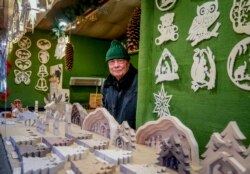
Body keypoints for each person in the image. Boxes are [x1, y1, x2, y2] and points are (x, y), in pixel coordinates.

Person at [102, 40, 138, 129]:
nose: (116, 65)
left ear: (128, 63)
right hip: (114, 136)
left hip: (135, 138)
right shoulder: (106, 86)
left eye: (120, 61)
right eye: (112, 62)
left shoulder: (139, 82)